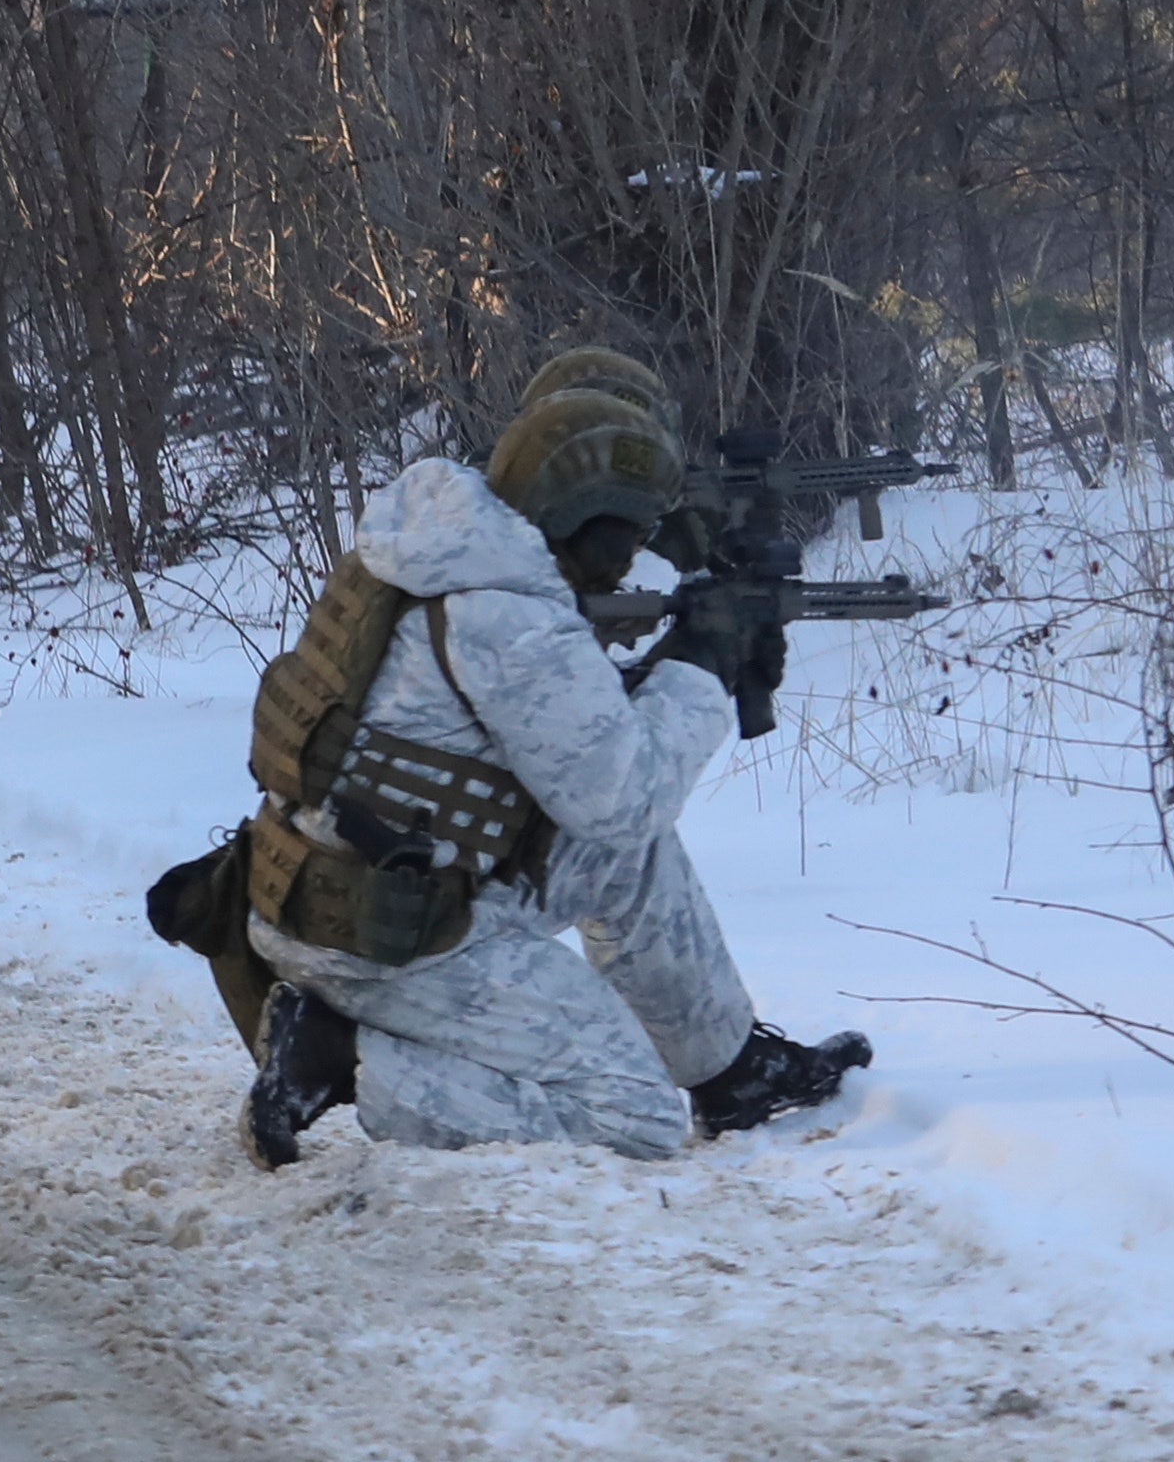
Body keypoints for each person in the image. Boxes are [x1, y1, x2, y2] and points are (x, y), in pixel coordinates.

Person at [227, 389, 870, 1166]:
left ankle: (729, 1071)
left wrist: (689, 656)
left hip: (344, 886)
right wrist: (701, 664)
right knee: (635, 1117)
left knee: (625, 856)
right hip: (384, 936)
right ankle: (341, 1057)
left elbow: (564, 739)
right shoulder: (508, 616)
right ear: (582, 517)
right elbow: (625, 797)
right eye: (624, 533)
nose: (632, 554)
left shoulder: (441, 552)